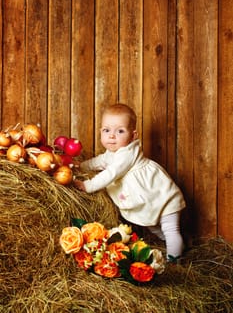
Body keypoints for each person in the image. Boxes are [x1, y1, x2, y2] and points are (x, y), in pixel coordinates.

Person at [74, 103, 186, 262]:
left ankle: (175, 261)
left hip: (161, 195)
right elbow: (100, 161)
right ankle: (177, 247)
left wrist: (88, 185)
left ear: (133, 136)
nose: (112, 136)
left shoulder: (127, 154)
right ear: (100, 132)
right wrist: (82, 166)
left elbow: (111, 173)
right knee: (155, 228)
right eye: (107, 130)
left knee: (170, 229)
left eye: (120, 131)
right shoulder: (113, 152)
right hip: (148, 200)